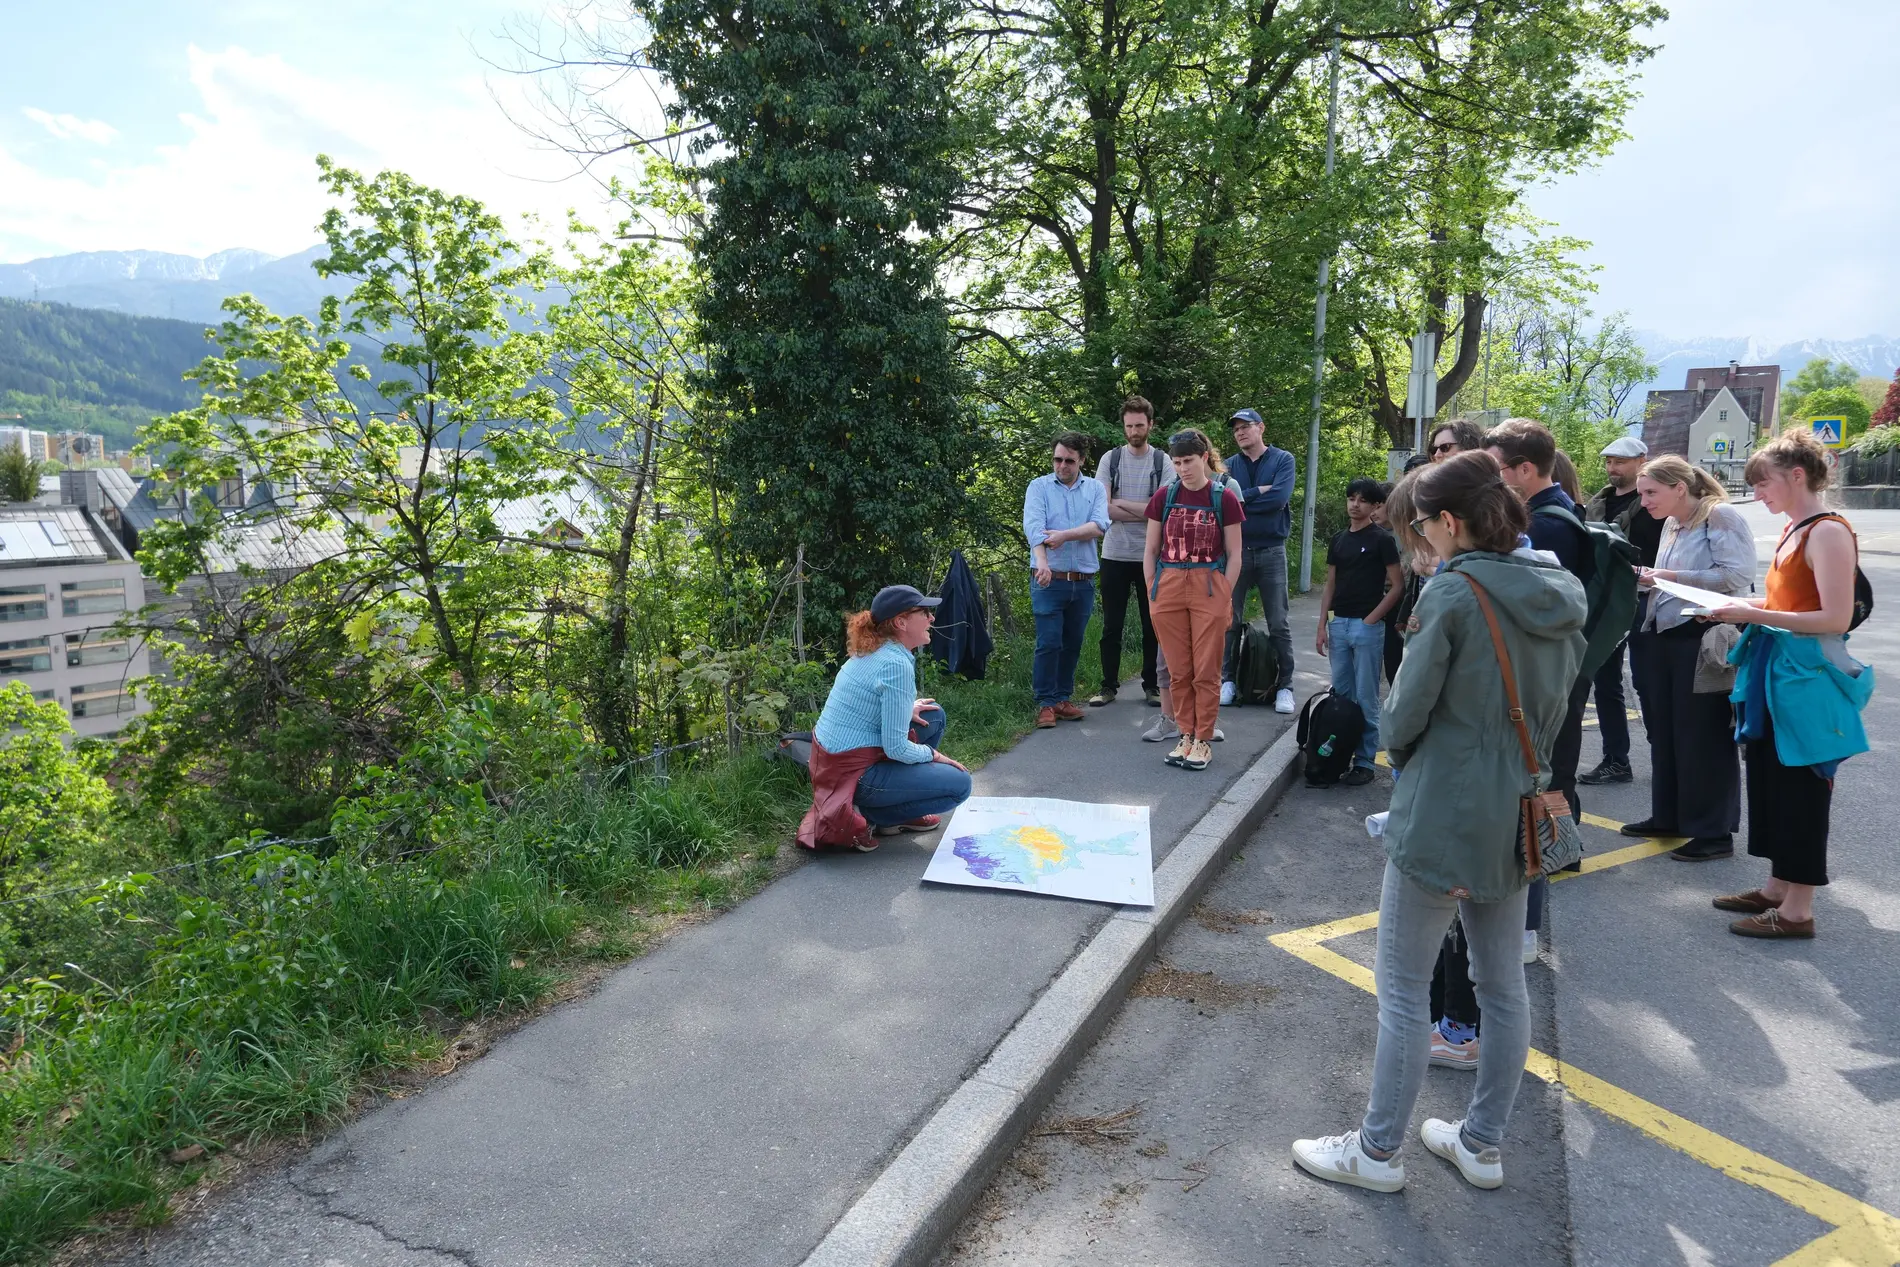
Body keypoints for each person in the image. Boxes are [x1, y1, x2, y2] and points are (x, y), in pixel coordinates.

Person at [1292, 451, 1586, 1194]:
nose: (1416, 540)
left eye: (1419, 525)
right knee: (1502, 988)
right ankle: (1482, 1143)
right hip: (1521, 809)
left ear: (1449, 522)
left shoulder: (1454, 595)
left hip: (1442, 814)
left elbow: (1399, 722)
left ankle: (1377, 1150)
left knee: (1401, 987)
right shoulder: (1561, 587)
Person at [1706, 431, 1872, 939]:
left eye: (1763, 482)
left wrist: (1750, 612)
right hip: (1779, 676)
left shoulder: (1826, 531)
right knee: (1774, 779)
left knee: (1802, 787)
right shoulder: (1795, 529)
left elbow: (1835, 617)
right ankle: (1778, 886)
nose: (1757, 492)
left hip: (1806, 681)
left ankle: (1798, 911)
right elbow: (1794, 606)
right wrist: (1745, 609)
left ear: (1797, 475)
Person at [1621, 456, 1756, 860]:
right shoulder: (1672, 523)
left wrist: (1667, 577)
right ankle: (1670, 815)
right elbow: (1668, 577)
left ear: (1680, 487)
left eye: (1651, 492)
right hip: (1664, 633)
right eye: (1643, 493)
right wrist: (1646, 577)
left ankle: (1713, 833)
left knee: (1704, 735)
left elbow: (1735, 576)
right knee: (1665, 731)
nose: (1643, 501)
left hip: (1703, 637)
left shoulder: (1721, 516)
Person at [801, 586, 974, 850]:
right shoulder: (895, 664)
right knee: (960, 785)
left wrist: (907, 709)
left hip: (832, 765)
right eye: (925, 612)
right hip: (853, 775)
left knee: (933, 716)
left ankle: (894, 815)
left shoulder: (877, 649)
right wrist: (934, 755)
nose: (932, 618)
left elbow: (869, 706)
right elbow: (895, 748)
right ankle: (870, 814)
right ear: (901, 622)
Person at [1143, 430, 1245, 771]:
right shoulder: (1164, 496)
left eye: (1188, 461)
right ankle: (1185, 734)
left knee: (1206, 669)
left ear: (1204, 458)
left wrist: (1224, 594)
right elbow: (1151, 550)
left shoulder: (1224, 496)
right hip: (1168, 583)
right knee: (1178, 669)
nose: (1182, 468)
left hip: (1209, 583)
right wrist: (1151, 589)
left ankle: (1203, 738)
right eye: (1176, 462)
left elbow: (1235, 554)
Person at [1578, 436, 1663, 786]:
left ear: (1642, 461)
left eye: (1621, 461)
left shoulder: (1654, 505)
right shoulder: (1598, 504)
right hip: (1608, 600)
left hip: (1646, 599)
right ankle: (1616, 759)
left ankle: (1665, 759)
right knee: (1606, 681)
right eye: (1609, 461)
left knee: (1648, 683)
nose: (1613, 468)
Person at [1315, 478, 1402, 786]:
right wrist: (1322, 625)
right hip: (1339, 624)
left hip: (1367, 626)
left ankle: (1364, 761)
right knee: (1341, 695)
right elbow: (1330, 584)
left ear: (1375, 506)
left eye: (1363, 500)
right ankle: (1337, 755)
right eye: (1351, 498)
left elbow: (1397, 585)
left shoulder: (1382, 539)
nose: (1355, 504)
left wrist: (1372, 619)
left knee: (1366, 696)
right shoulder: (1339, 539)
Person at [1024, 431, 1110, 728]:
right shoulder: (1039, 487)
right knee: (1049, 642)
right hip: (1050, 579)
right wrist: (1042, 564)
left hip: (1083, 579)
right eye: (1057, 459)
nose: (1061, 465)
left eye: (1069, 461)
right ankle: (1046, 704)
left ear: (1081, 461)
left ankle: (1062, 698)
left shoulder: (1096, 489)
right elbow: (1035, 528)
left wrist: (1063, 535)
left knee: (1072, 642)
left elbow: (1099, 526)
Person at [1091, 396, 1168, 707]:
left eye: (1140, 424)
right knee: (1112, 625)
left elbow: (1162, 510)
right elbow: (1103, 508)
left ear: (1150, 425)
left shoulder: (1163, 460)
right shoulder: (1111, 460)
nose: (1134, 430)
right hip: (1115, 554)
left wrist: (1122, 504)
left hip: (1152, 555)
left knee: (1154, 624)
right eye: (1129, 425)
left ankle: (1152, 685)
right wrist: (1144, 511)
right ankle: (1108, 686)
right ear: (1122, 427)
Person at [1221, 408, 1298, 714]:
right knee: (1229, 619)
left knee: (1278, 622)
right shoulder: (1228, 465)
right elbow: (1223, 504)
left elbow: (1278, 499)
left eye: (1246, 426)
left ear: (1261, 428)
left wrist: (1242, 499)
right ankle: (1227, 680)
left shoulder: (1283, 460)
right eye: (1236, 428)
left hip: (1271, 551)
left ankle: (1285, 687)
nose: (1240, 432)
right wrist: (1255, 493)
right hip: (1236, 551)